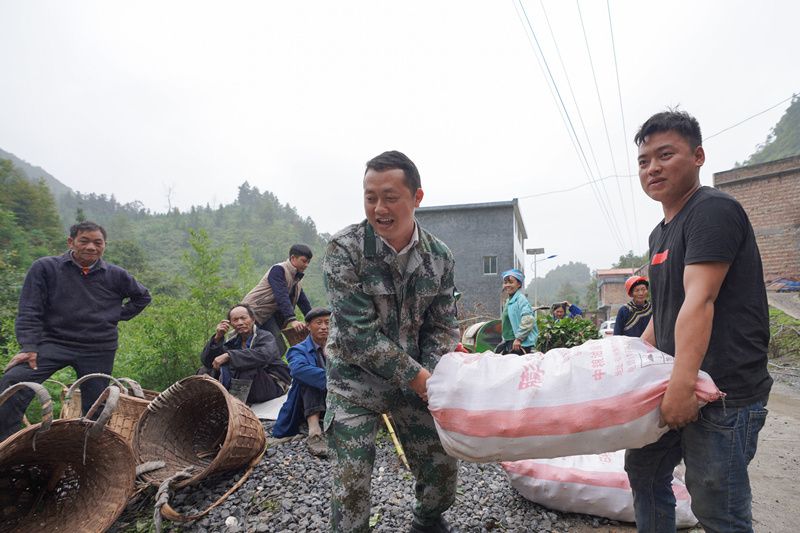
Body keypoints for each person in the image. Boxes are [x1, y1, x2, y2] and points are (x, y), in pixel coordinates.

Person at [625, 110, 772, 532]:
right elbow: (664, 312)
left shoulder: (712, 210)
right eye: (643, 160)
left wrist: (681, 387)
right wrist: (632, 364)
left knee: (716, 505)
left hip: (722, 390)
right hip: (677, 380)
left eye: (665, 154)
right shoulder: (660, 233)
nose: (652, 167)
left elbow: (699, 300)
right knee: (645, 468)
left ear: (698, 156)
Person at [323, 150, 460, 533]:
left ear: (417, 197)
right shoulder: (344, 250)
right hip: (354, 381)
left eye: (390, 197)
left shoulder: (439, 257)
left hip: (417, 380)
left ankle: (427, 521)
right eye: (370, 197)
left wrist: (432, 379)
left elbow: (443, 326)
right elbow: (357, 337)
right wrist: (420, 379)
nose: (379, 208)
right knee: (351, 487)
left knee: (442, 471)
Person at [0, 221, 151, 440]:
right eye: (85, 241)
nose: (91, 247)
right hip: (53, 342)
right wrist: (29, 346)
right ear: (71, 242)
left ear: (104, 246)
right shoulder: (46, 268)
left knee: (97, 405)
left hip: (98, 347)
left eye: (97, 242)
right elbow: (30, 308)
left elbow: (143, 297)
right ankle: (10, 443)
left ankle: (87, 450)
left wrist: (114, 315)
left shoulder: (116, 275)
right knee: (13, 383)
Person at [200, 303, 290, 404]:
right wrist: (218, 337)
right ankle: (209, 403)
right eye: (235, 320)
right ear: (231, 324)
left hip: (271, 383)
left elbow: (264, 355)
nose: (240, 322)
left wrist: (229, 356)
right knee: (204, 370)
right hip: (248, 386)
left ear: (252, 319)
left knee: (247, 368)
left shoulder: (265, 336)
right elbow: (207, 361)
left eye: (243, 318)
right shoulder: (232, 341)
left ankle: (237, 406)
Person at [272, 307, 331, 457]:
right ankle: (314, 431)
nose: (324, 327)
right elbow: (298, 370)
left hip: (336, 396)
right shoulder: (298, 350)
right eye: (319, 323)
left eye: (328, 323)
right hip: (309, 400)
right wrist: (336, 381)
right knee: (306, 378)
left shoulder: (339, 347)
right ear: (308, 326)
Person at [241, 243, 314, 355]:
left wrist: (313, 319)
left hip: (268, 316)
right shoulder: (279, 270)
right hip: (254, 311)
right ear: (293, 258)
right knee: (275, 346)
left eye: (308, 262)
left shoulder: (296, 280)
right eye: (304, 261)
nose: (306, 265)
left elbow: (303, 302)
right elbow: (281, 295)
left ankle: (264, 370)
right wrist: (292, 319)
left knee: (273, 347)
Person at [496, 268, 538, 355]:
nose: (507, 285)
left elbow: (528, 319)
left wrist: (519, 338)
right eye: (505, 282)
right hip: (510, 341)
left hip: (519, 344)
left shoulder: (521, 299)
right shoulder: (509, 301)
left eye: (511, 282)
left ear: (519, 284)